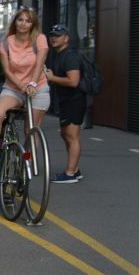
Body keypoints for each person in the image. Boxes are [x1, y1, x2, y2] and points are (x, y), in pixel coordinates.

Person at [0, 7, 49, 161]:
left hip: (38, 88)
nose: (24, 23)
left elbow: (39, 65)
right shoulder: (6, 43)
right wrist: (23, 86)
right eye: (20, 20)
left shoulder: (40, 39)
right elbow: (7, 71)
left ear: (33, 24)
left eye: (28, 21)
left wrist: (32, 84)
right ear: (15, 22)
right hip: (14, 89)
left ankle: (28, 163)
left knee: (31, 128)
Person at [43, 23, 84, 183]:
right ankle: (75, 169)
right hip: (66, 100)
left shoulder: (70, 56)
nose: (54, 38)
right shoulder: (60, 55)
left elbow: (73, 81)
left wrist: (53, 78)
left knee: (72, 136)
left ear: (66, 38)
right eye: (52, 36)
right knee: (65, 134)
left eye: (58, 36)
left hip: (75, 100)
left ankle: (71, 173)